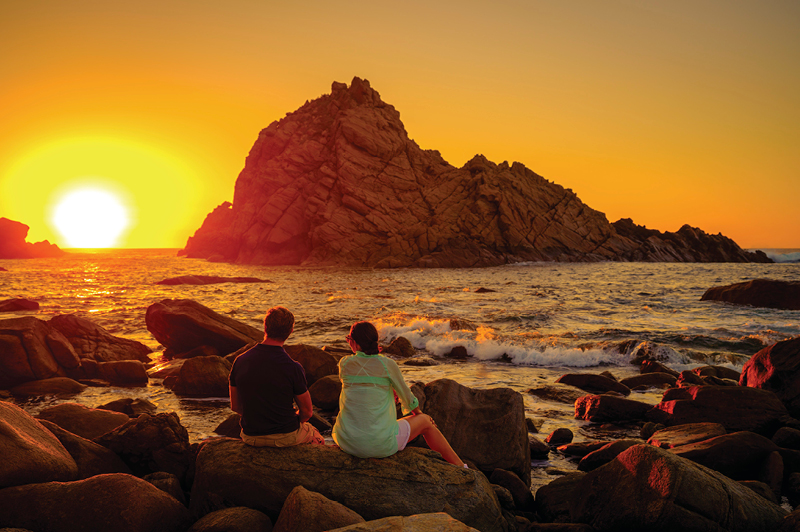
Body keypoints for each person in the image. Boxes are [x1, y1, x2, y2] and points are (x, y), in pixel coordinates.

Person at [332, 321, 466, 467]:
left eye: (349, 340)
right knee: (426, 422)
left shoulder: (344, 364)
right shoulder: (387, 365)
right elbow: (408, 397)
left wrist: (391, 390)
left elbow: (366, 382)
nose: (348, 343)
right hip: (380, 445)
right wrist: (420, 414)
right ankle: (462, 467)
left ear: (355, 344)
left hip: (347, 441)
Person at [228, 306, 324, 447]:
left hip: (250, 436)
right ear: (290, 332)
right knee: (316, 436)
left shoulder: (240, 361)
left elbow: (235, 406)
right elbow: (307, 412)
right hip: (285, 436)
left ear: (265, 327)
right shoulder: (293, 367)